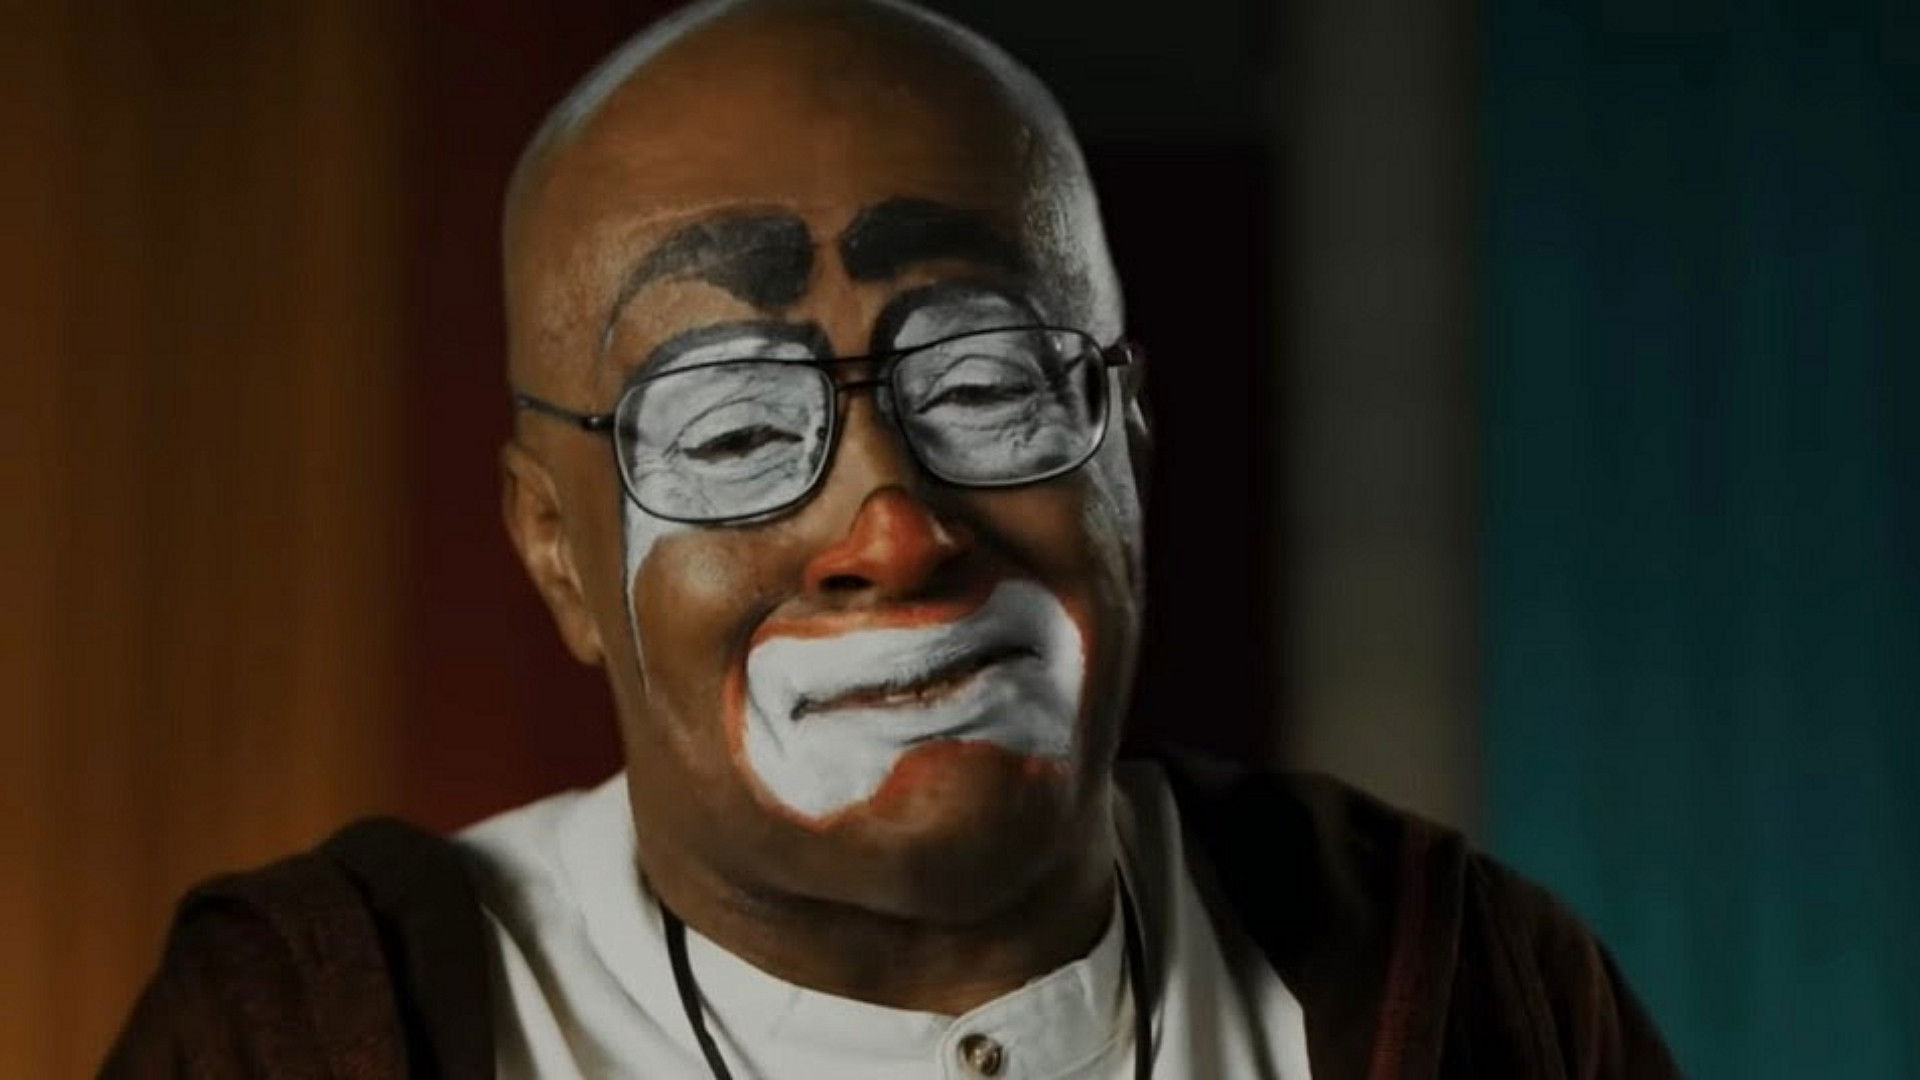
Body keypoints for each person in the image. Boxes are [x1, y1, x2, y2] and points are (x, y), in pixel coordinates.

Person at [105, 1, 1681, 1076]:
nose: (894, 531)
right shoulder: (315, 1031)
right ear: (556, 550)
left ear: (1128, 444)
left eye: (984, 386)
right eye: (734, 432)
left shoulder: (1464, 989)